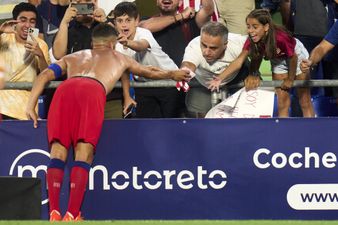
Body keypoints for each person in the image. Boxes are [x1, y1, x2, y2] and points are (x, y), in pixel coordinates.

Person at [25, 23, 190, 221]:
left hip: (64, 91)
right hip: (92, 90)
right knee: (83, 153)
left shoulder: (73, 57)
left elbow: (44, 75)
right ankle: (73, 214)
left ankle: (54, 212)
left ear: (93, 42)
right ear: (113, 44)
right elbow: (150, 71)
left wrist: (30, 105)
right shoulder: (120, 57)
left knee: (58, 152)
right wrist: (172, 74)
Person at [208, 9, 314, 117]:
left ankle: (312, 131)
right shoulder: (252, 39)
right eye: (248, 26)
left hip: (296, 56)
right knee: (282, 103)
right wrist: (220, 78)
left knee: (304, 101)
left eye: (255, 26)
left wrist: (290, 79)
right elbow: (239, 60)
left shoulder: (280, 38)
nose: (250, 30)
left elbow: (293, 58)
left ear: (266, 27)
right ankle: (283, 131)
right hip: (277, 60)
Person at [114, 2, 185, 118]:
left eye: (128, 20)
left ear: (137, 21)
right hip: (143, 86)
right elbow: (125, 72)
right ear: (115, 23)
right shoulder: (117, 47)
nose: (124, 25)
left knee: (171, 125)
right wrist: (127, 97)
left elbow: (141, 46)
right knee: (147, 125)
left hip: (169, 83)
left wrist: (127, 42)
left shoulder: (144, 33)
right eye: (120, 21)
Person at [181, 21, 247, 118]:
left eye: (213, 48)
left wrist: (254, 73)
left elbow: (257, 48)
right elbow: (188, 64)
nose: (206, 52)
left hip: (235, 78)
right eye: (203, 45)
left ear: (225, 44)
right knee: (202, 118)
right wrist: (184, 72)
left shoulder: (238, 43)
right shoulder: (194, 47)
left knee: (242, 114)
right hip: (204, 83)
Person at [0, 2, 50, 120]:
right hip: (3, 103)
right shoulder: (3, 38)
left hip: (27, 105)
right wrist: (0, 30)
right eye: (23, 20)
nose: (28, 25)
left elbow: (46, 75)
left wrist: (41, 56)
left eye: (32, 21)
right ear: (14, 22)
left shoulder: (41, 44)